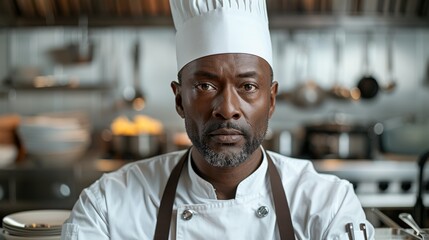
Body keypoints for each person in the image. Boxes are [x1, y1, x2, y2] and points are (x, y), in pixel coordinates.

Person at [61, 0, 375, 239]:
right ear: (179, 99)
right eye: (205, 85)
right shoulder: (109, 205)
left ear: (272, 100)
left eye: (248, 86)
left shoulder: (328, 205)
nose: (227, 109)